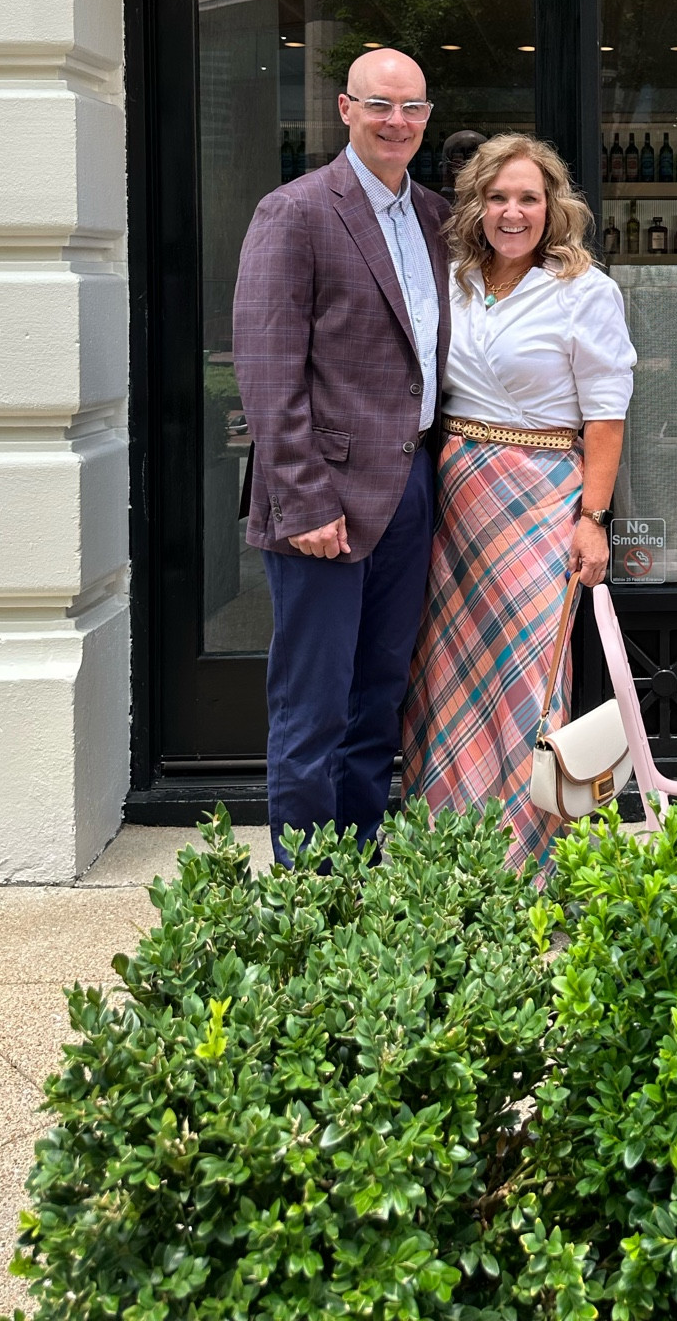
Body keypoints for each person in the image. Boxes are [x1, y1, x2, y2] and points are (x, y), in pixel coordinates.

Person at [233, 48, 450, 863]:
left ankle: (357, 869)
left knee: (378, 699)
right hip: (322, 497)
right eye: (380, 105)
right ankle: (304, 891)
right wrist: (304, 499)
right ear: (345, 109)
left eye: (413, 108)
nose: (397, 121)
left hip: (411, 489)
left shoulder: (433, 214)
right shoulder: (294, 212)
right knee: (312, 705)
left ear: (427, 118)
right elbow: (265, 368)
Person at [400, 133, 637, 870]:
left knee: (527, 680)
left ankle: (526, 865)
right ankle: (448, 859)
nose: (512, 212)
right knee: (447, 677)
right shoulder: (455, 277)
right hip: (458, 499)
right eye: (498, 197)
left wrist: (593, 521)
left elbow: (606, 414)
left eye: (528, 198)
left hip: (541, 500)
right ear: (476, 205)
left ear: (553, 206)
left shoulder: (585, 290)